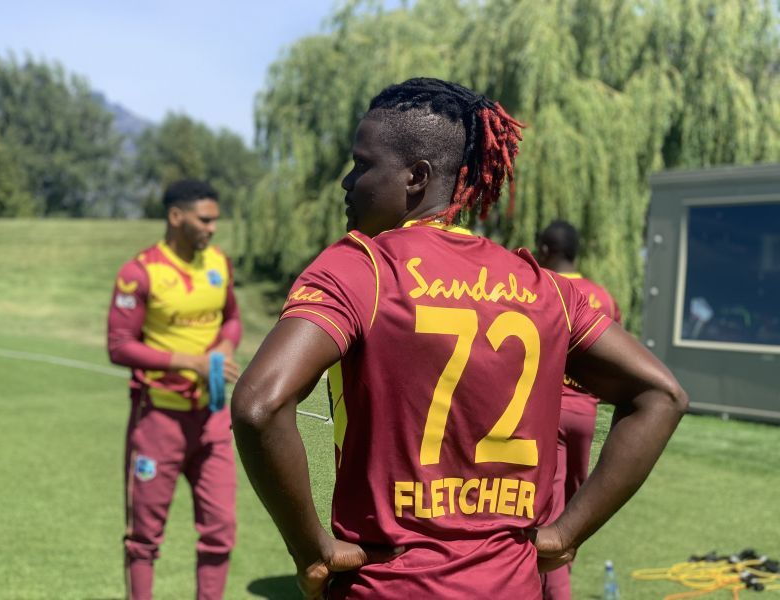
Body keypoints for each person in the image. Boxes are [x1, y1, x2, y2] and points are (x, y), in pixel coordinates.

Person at [231, 78, 687, 599]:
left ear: (416, 177)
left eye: (362, 164)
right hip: (512, 585)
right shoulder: (547, 289)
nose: (346, 182)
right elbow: (663, 395)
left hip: (389, 584)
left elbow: (259, 404)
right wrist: (564, 533)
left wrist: (310, 548)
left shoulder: (365, 267)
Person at [107, 179, 242, 600]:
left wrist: (222, 346)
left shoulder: (219, 263)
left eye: (216, 220)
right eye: (205, 219)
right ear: (176, 216)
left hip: (212, 419)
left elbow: (232, 319)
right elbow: (119, 346)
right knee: (144, 538)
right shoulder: (140, 272)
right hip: (158, 420)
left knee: (221, 531)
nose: (212, 228)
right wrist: (190, 362)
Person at [535, 219, 622, 600]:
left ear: (545, 250)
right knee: (575, 508)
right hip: (587, 413)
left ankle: (555, 589)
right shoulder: (603, 296)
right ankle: (559, 577)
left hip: (552, 413)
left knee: (552, 515)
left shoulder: (545, 288)